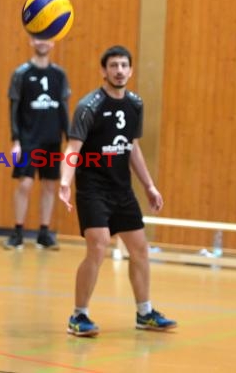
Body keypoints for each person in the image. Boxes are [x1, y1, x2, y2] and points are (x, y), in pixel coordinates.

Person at [58, 45, 177, 337]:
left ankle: (145, 312)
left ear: (131, 70)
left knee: (140, 249)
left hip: (122, 189)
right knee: (97, 247)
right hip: (92, 187)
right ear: (103, 70)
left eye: (124, 65)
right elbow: (73, 147)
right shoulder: (89, 106)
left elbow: (132, 147)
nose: (119, 70)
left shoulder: (135, 104)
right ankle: (79, 316)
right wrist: (65, 181)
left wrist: (149, 185)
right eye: (113, 65)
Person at [4, 36, 71, 250]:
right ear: (32, 42)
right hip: (28, 139)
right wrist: (16, 140)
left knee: (50, 185)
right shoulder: (21, 73)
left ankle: (44, 232)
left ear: (53, 43)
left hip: (52, 138)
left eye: (47, 39)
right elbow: (13, 109)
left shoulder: (59, 74)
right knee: (25, 184)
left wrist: (69, 139)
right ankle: (17, 231)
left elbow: (63, 108)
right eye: (38, 38)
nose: (43, 42)